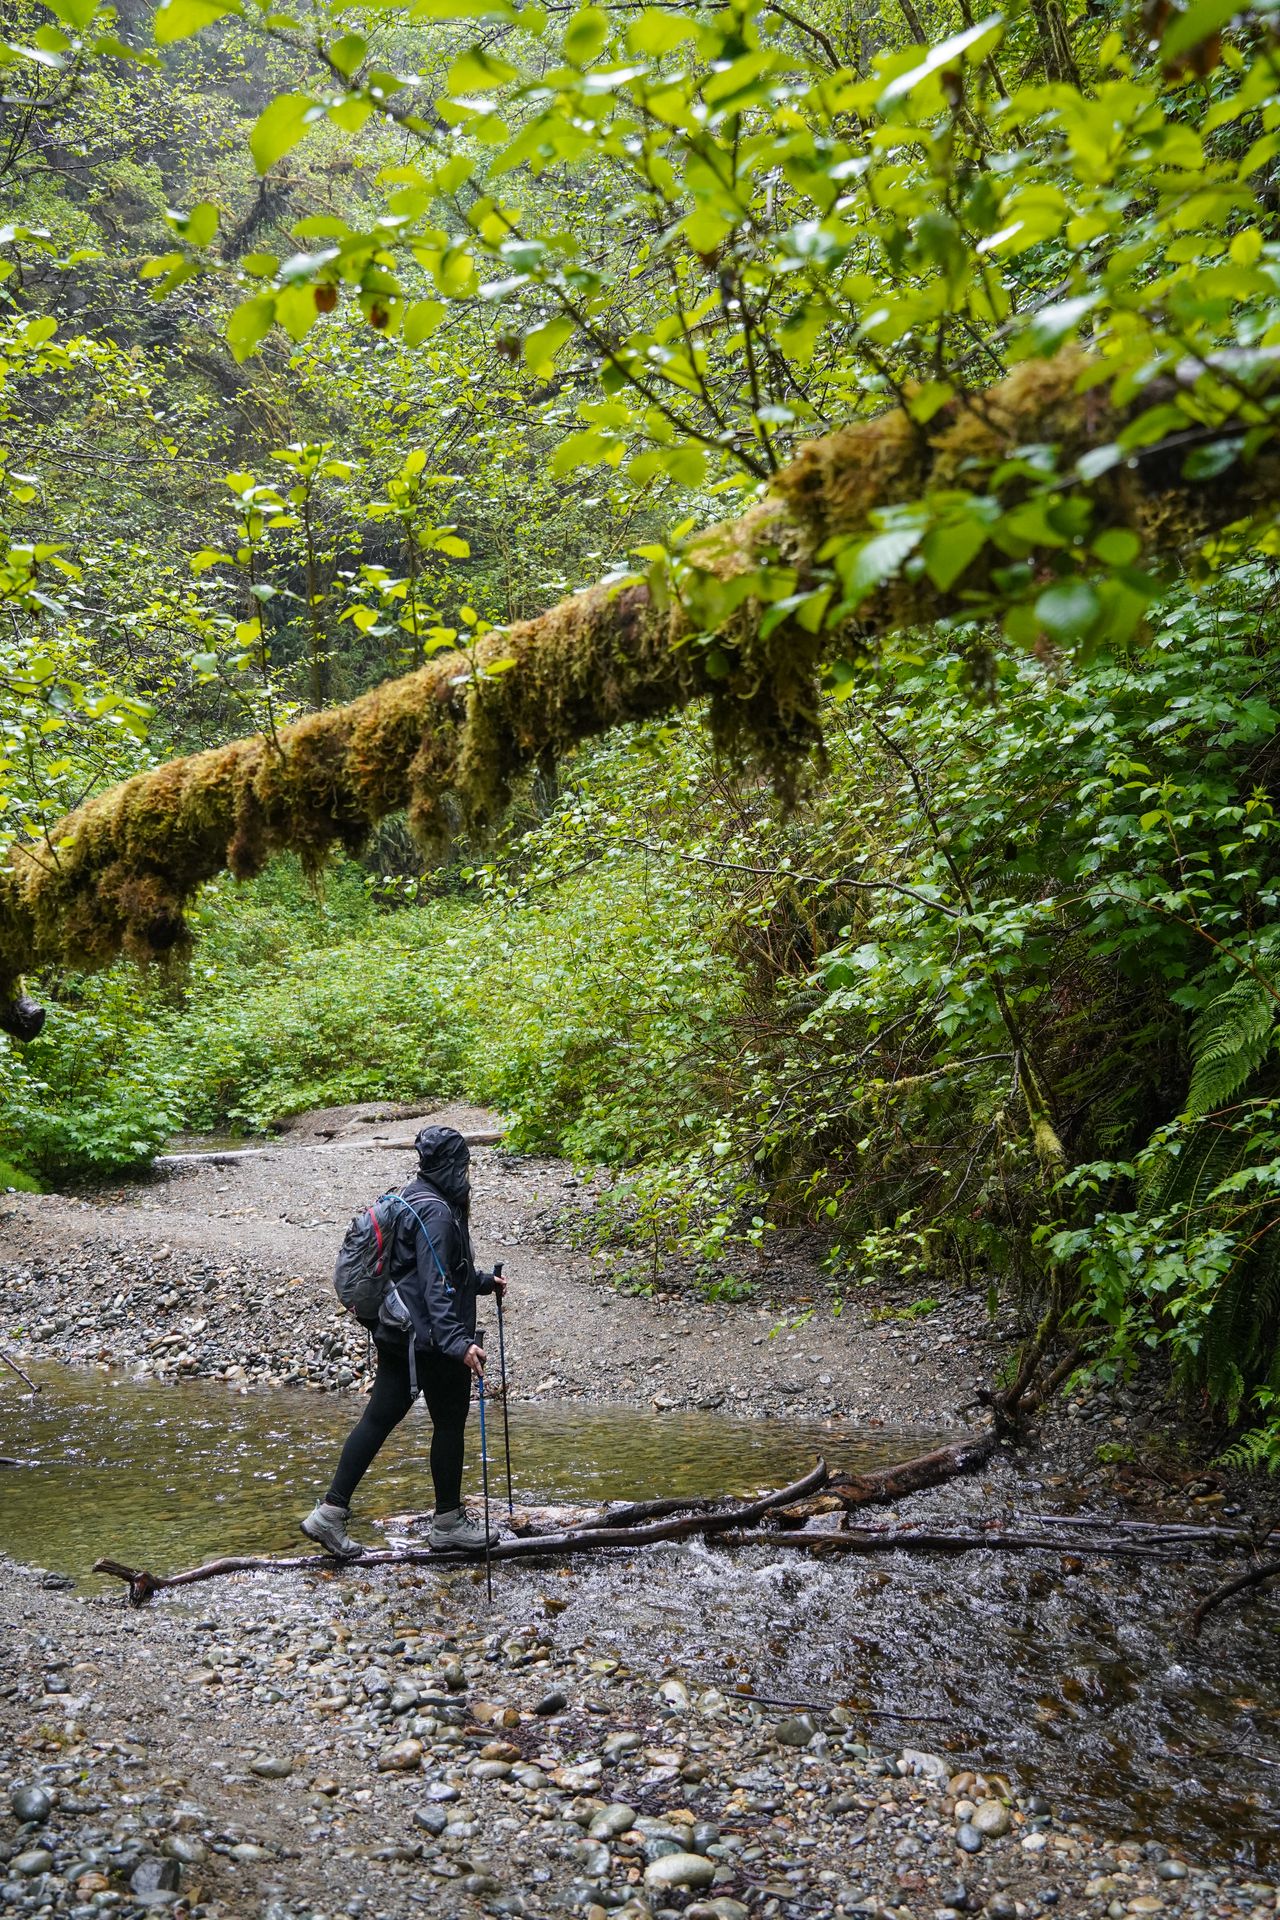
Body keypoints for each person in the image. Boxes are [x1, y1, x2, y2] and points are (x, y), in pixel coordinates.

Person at [301, 1124, 506, 1558]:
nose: (466, 1174)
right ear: (452, 1166)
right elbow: (435, 1285)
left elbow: (436, 1270)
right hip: (432, 1342)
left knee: (376, 1421)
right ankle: (448, 1523)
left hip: (400, 1334)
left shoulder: (412, 1196)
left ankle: (330, 1513)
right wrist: (459, 1344)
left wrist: (484, 1282)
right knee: (449, 1425)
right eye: (464, 1165)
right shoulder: (437, 1212)